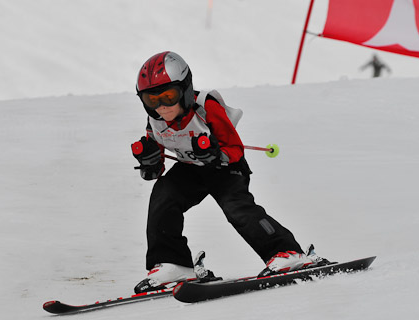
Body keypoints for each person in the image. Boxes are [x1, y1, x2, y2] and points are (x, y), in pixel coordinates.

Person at [131, 51, 320, 293]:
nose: (162, 107)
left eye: (169, 96)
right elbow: (155, 170)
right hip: (191, 169)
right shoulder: (155, 121)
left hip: (226, 168)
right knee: (164, 194)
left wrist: (214, 155)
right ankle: (173, 263)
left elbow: (235, 149)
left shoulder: (206, 107)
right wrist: (149, 163)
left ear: (186, 89)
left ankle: (286, 252)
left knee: (236, 206)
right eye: (152, 100)